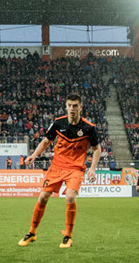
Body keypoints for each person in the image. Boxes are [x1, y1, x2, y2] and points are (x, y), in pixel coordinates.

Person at [19, 93, 101, 249]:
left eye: (75, 106)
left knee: (70, 197)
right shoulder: (58, 123)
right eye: (69, 105)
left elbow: (97, 149)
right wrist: (34, 155)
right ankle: (32, 232)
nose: (72, 108)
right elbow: (45, 142)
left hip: (75, 168)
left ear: (80, 107)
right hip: (57, 166)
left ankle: (68, 236)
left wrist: (92, 169)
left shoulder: (89, 128)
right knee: (43, 197)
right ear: (66, 106)